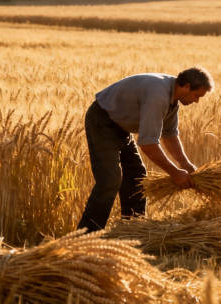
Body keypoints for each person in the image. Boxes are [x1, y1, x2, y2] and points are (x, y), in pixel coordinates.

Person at [77, 67, 213, 232]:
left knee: (137, 177)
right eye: (196, 95)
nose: (197, 101)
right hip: (103, 121)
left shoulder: (173, 99)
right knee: (110, 180)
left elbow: (169, 135)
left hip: (121, 127)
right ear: (186, 87)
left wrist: (186, 165)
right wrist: (175, 173)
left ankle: (132, 230)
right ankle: (85, 235)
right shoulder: (159, 95)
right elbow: (148, 143)